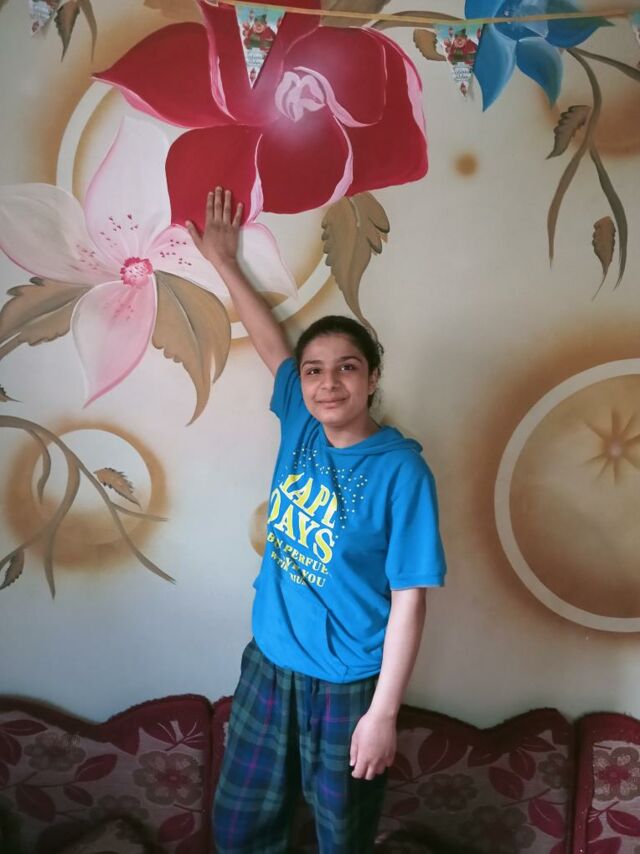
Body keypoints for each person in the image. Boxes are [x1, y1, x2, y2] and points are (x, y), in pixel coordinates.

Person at [186, 188, 447, 854]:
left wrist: (383, 713)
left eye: (346, 368)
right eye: (314, 371)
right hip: (270, 664)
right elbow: (272, 342)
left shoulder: (403, 473)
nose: (328, 384)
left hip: (347, 685)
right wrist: (224, 262)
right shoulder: (301, 424)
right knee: (240, 828)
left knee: (341, 837)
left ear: (372, 377)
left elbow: (410, 600)